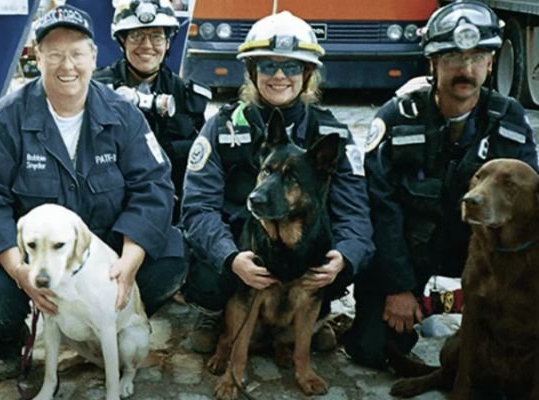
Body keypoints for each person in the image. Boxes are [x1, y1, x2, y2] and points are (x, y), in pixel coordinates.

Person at [0, 4, 187, 380]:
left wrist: (129, 261)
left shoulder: (123, 115)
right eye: (55, 54)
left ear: (93, 57)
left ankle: (108, 321)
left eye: (77, 53)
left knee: (170, 257)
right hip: (35, 254)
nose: (68, 66)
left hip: (102, 248)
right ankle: (11, 340)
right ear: (37, 57)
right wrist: (19, 270)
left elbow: (154, 185)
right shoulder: (4, 119)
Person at [343, 0, 539, 371]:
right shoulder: (396, 119)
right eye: (452, 58)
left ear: (491, 63)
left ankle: (452, 305)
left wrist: (506, 287)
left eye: (477, 57)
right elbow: (381, 209)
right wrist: (399, 288)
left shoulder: (509, 119)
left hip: (478, 252)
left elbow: (526, 207)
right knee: (372, 350)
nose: (465, 69)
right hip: (410, 253)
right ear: (432, 63)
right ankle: (417, 301)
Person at [180, 11, 374, 354]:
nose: (279, 76)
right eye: (268, 66)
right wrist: (230, 258)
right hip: (242, 250)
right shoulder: (221, 128)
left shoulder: (332, 135)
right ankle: (217, 313)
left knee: (350, 262)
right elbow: (197, 208)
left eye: (292, 67)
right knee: (207, 272)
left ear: (308, 74)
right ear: (253, 73)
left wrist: (344, 257)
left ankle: (310, 317)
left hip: (302, 255)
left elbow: (354, 210)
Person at [93, 0, 210, 223]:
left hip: (172, 213)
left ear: (167, 43)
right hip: (110, 211)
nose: (147, 45)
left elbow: (201, 167)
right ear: (122, 41)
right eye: (136, 36)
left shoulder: (188, 97)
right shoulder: (96, 90)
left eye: (156, 36)